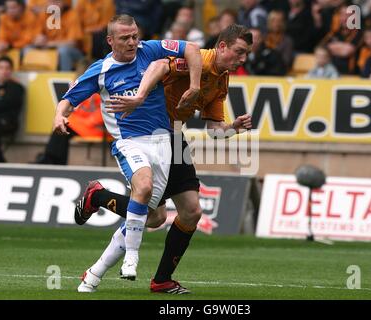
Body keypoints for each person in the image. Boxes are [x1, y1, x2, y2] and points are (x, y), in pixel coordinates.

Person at [75, 24, 253, 294]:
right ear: (222, 46)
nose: (242, 60)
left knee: (187, 212)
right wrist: (143, 95)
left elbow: (214, 131)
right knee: (152, 215)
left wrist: (234, 128)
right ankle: (98, 199)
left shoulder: (221, 79)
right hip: (152, 134)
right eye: (239, 52)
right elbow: (158, 66)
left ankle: (161, 280)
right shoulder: (199, 60)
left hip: (174, 137)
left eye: (246, 54)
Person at [52, 14, 202, 287]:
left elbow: (191, 48)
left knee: (153, 217)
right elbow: (69, 99)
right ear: (110, 41)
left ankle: (94, 272)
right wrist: (59, 116)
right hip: (129, 142)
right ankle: (131, 257)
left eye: (135, 35)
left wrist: (194, 86)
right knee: (142, 188)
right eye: (125, 38)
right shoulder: (101, 70)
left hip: (163, 144)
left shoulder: (151, 50)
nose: (133, 42)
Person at [0, 56, 24, 162]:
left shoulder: (17, 88)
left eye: (7, 68)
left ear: (11, 70)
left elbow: (0, 104)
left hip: (8, 122)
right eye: (1, 68)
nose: (4, 71)